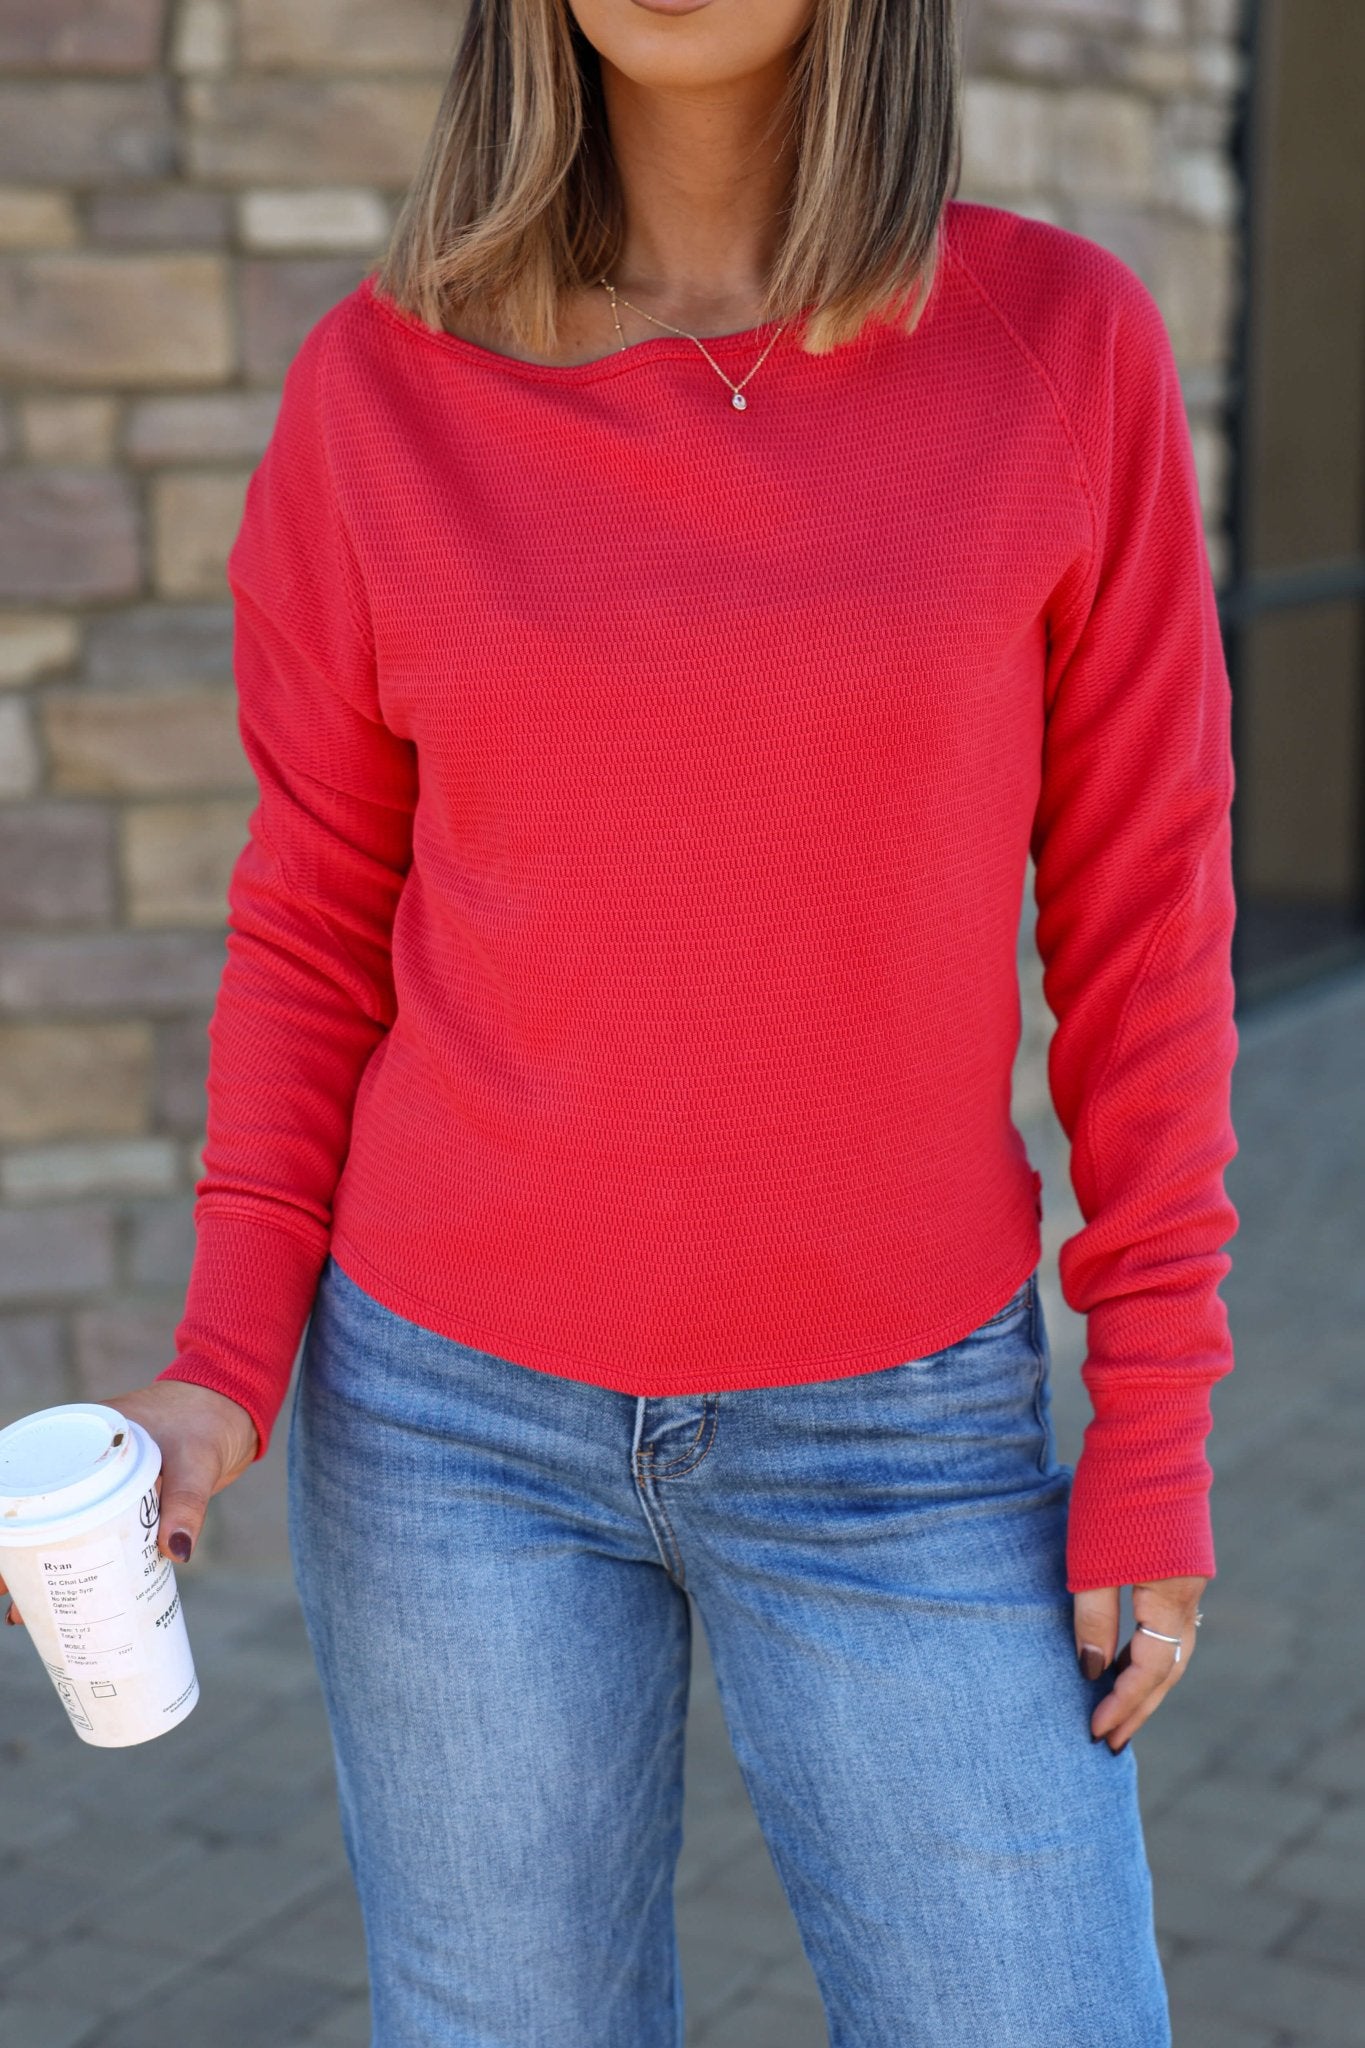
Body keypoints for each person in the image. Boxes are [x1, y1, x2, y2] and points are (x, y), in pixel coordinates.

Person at [3, 1, 1240, 2040]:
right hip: (448, 1429)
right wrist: (221, 1366)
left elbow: (1142, 926)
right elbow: (313, 922)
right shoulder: (375, 392)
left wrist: (1156, 1421)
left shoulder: (1055, 349)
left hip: (900, 1432)